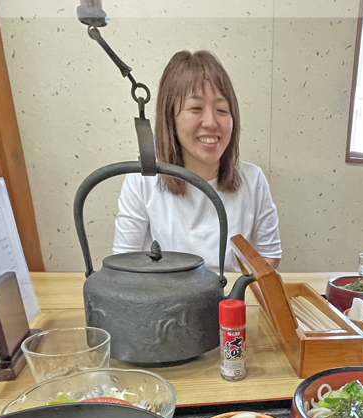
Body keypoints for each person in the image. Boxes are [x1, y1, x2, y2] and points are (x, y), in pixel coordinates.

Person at [114, 50, 282, 272]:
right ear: (170, 118)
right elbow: (123, 263)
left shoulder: (252, 180)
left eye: (222, 110)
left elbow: (269, 256)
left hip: (231, 300)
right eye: (195, 108)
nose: (211, 122)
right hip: (168, 300)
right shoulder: (142, 180)